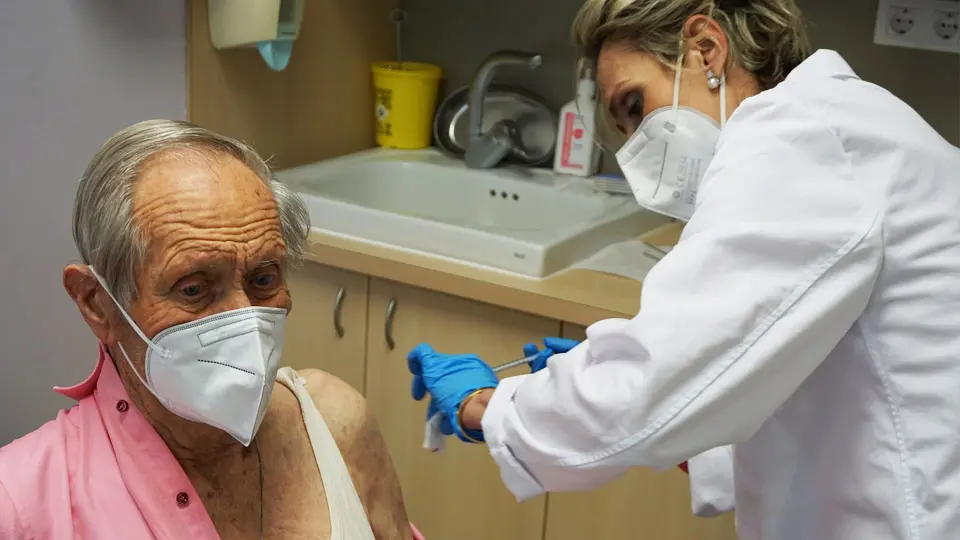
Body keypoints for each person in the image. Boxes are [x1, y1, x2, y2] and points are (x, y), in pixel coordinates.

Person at [407, 0, 960, 538]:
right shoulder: (843, 125)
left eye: (634, 105)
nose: (634, 148)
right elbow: (757, 385)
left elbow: (656, 382)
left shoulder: (801, 138)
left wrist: (490, 408)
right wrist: (604, 380)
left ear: (706, 50)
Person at [0, 120, 424, 540]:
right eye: (194, 288)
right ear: (96, 303)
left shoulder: (336, 425)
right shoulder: (21, 502)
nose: (243, 317)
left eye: (263, 279)